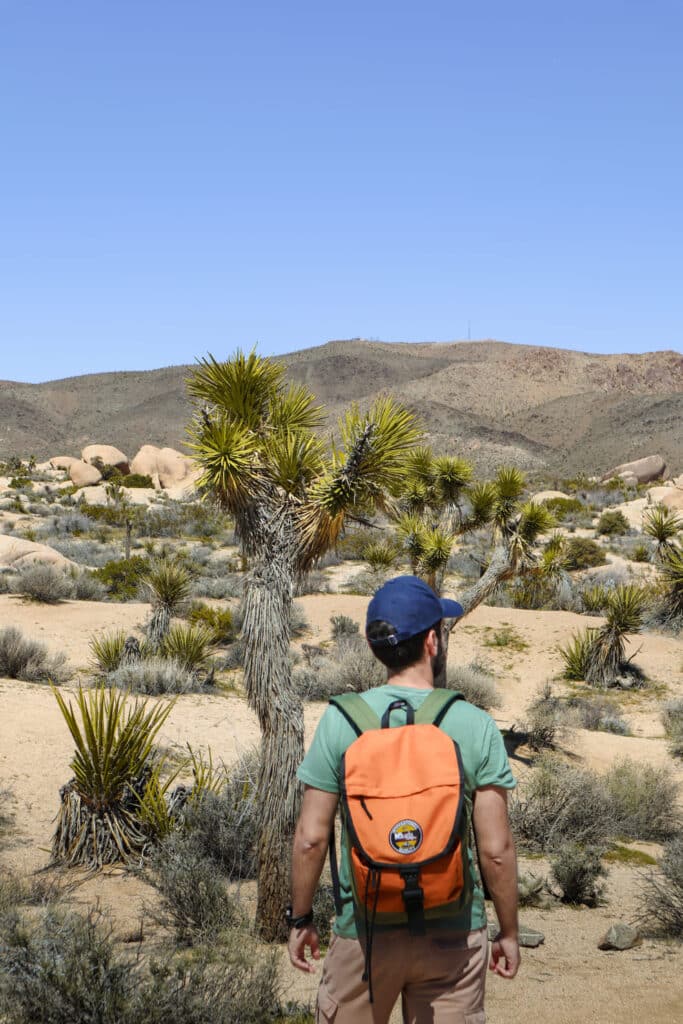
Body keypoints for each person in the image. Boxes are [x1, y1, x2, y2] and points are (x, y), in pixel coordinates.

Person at [288, 575, 520, 1023]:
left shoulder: (341, 722)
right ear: (432, 641)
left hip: (365, 933)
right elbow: (496, 850)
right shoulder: (473, 724)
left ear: (377, 647)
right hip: (453, 934)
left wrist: (300, 920)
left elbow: (310, 839)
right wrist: (507, 930)